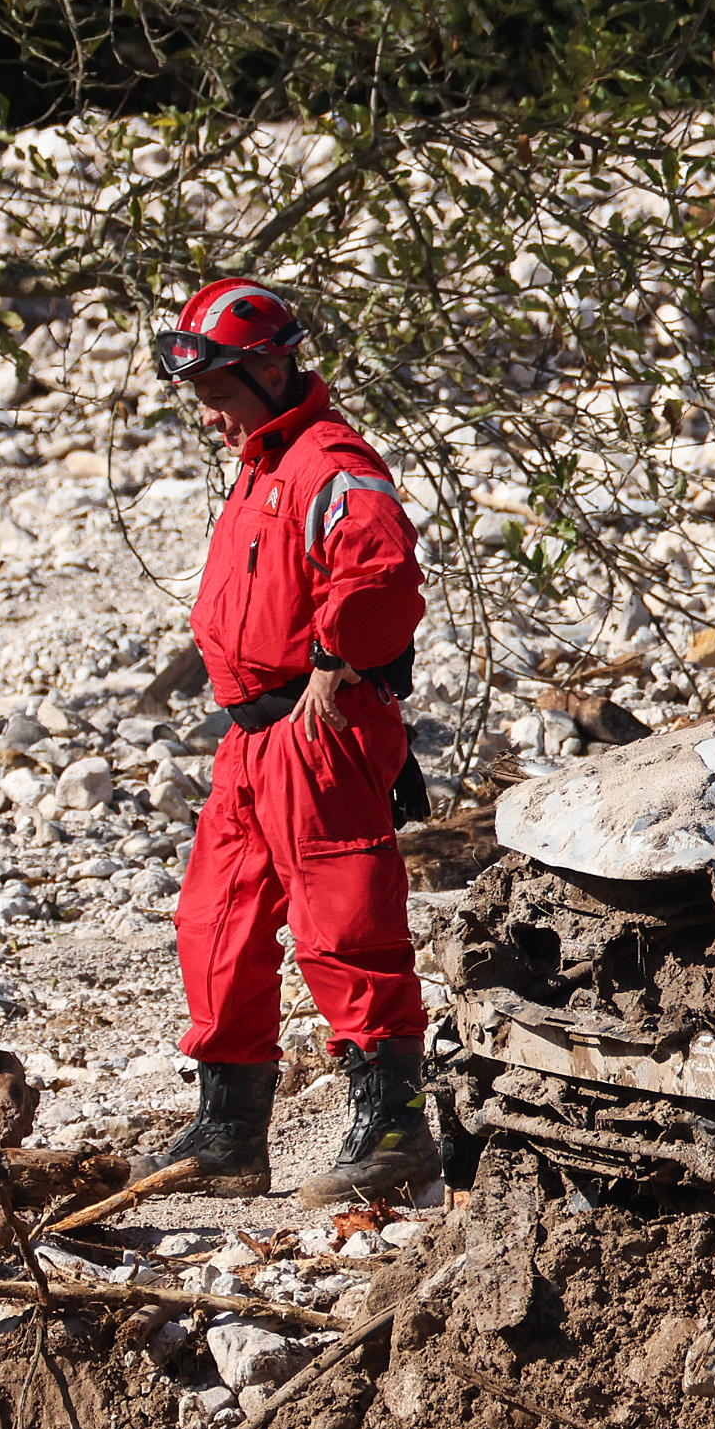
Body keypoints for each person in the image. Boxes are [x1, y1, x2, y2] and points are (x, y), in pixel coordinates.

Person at [154, 278, 443, 1204]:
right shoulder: (261, 458)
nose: (210, 419)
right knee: (216, 923)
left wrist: (334, 659)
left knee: (345, 924)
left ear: (273, 368)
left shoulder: (331, 462)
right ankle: (230, 1132)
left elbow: (384, 576)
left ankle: (395, 1127)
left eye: (221, 396)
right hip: (250, 739)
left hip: (315, 730)